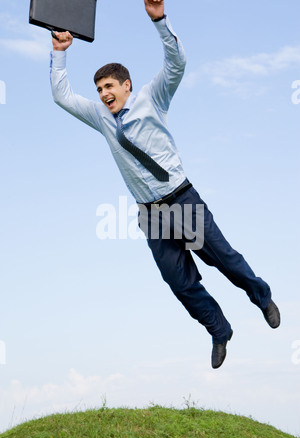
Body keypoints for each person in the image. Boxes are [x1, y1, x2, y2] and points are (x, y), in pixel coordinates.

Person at [50, 0, 280, 369]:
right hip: (151, 216)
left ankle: (261, 297)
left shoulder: (152, 98)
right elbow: (61, 96)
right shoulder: (99, 116)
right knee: (180, 283)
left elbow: (177, 64)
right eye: (98, 88)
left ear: (126, 85)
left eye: (109, 85)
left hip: (182, 201)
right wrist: (59, 53)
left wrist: (159, 20)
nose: (103, 93)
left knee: (227, 261)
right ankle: (220, 331)